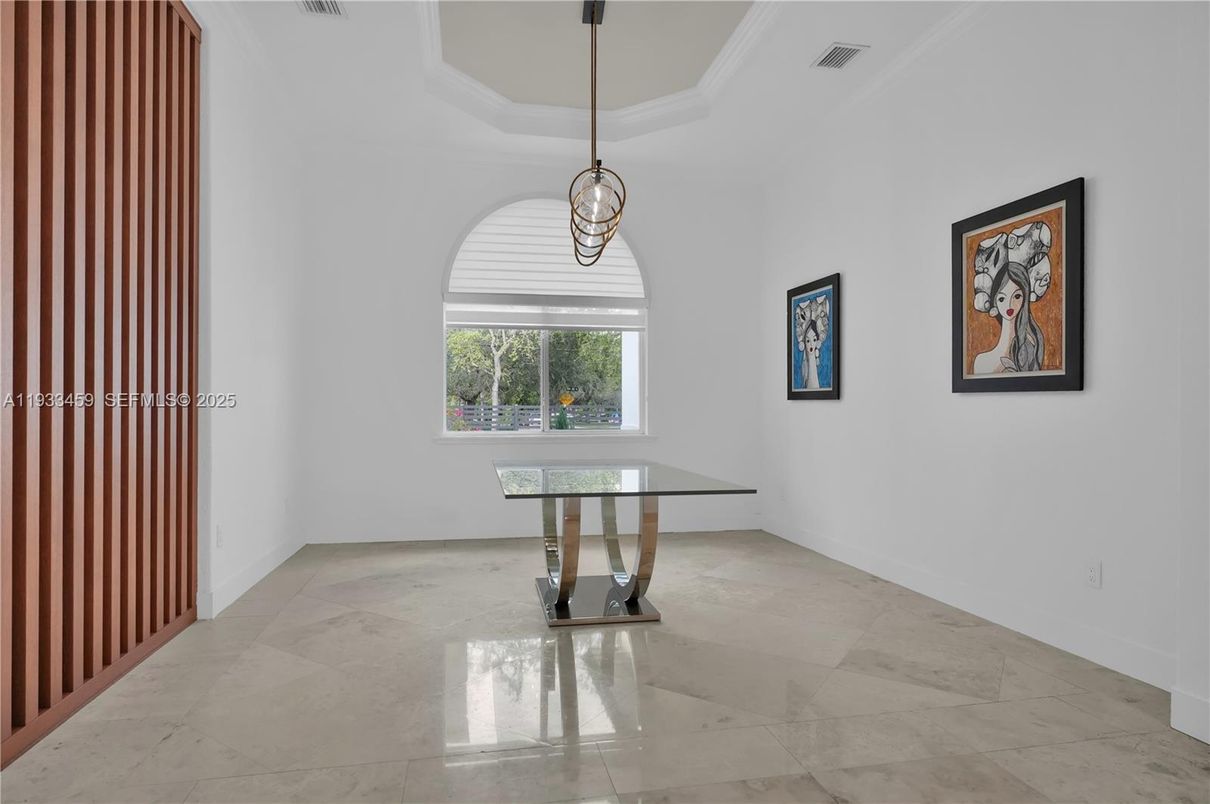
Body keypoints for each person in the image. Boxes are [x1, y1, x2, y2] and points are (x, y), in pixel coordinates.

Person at [972, 261, 1044, 374]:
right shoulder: (981, 362)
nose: (1009, 305)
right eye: (1002, 299)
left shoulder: (1030, 348)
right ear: (995, 303)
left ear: (1025, 298)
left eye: (1017, 296)